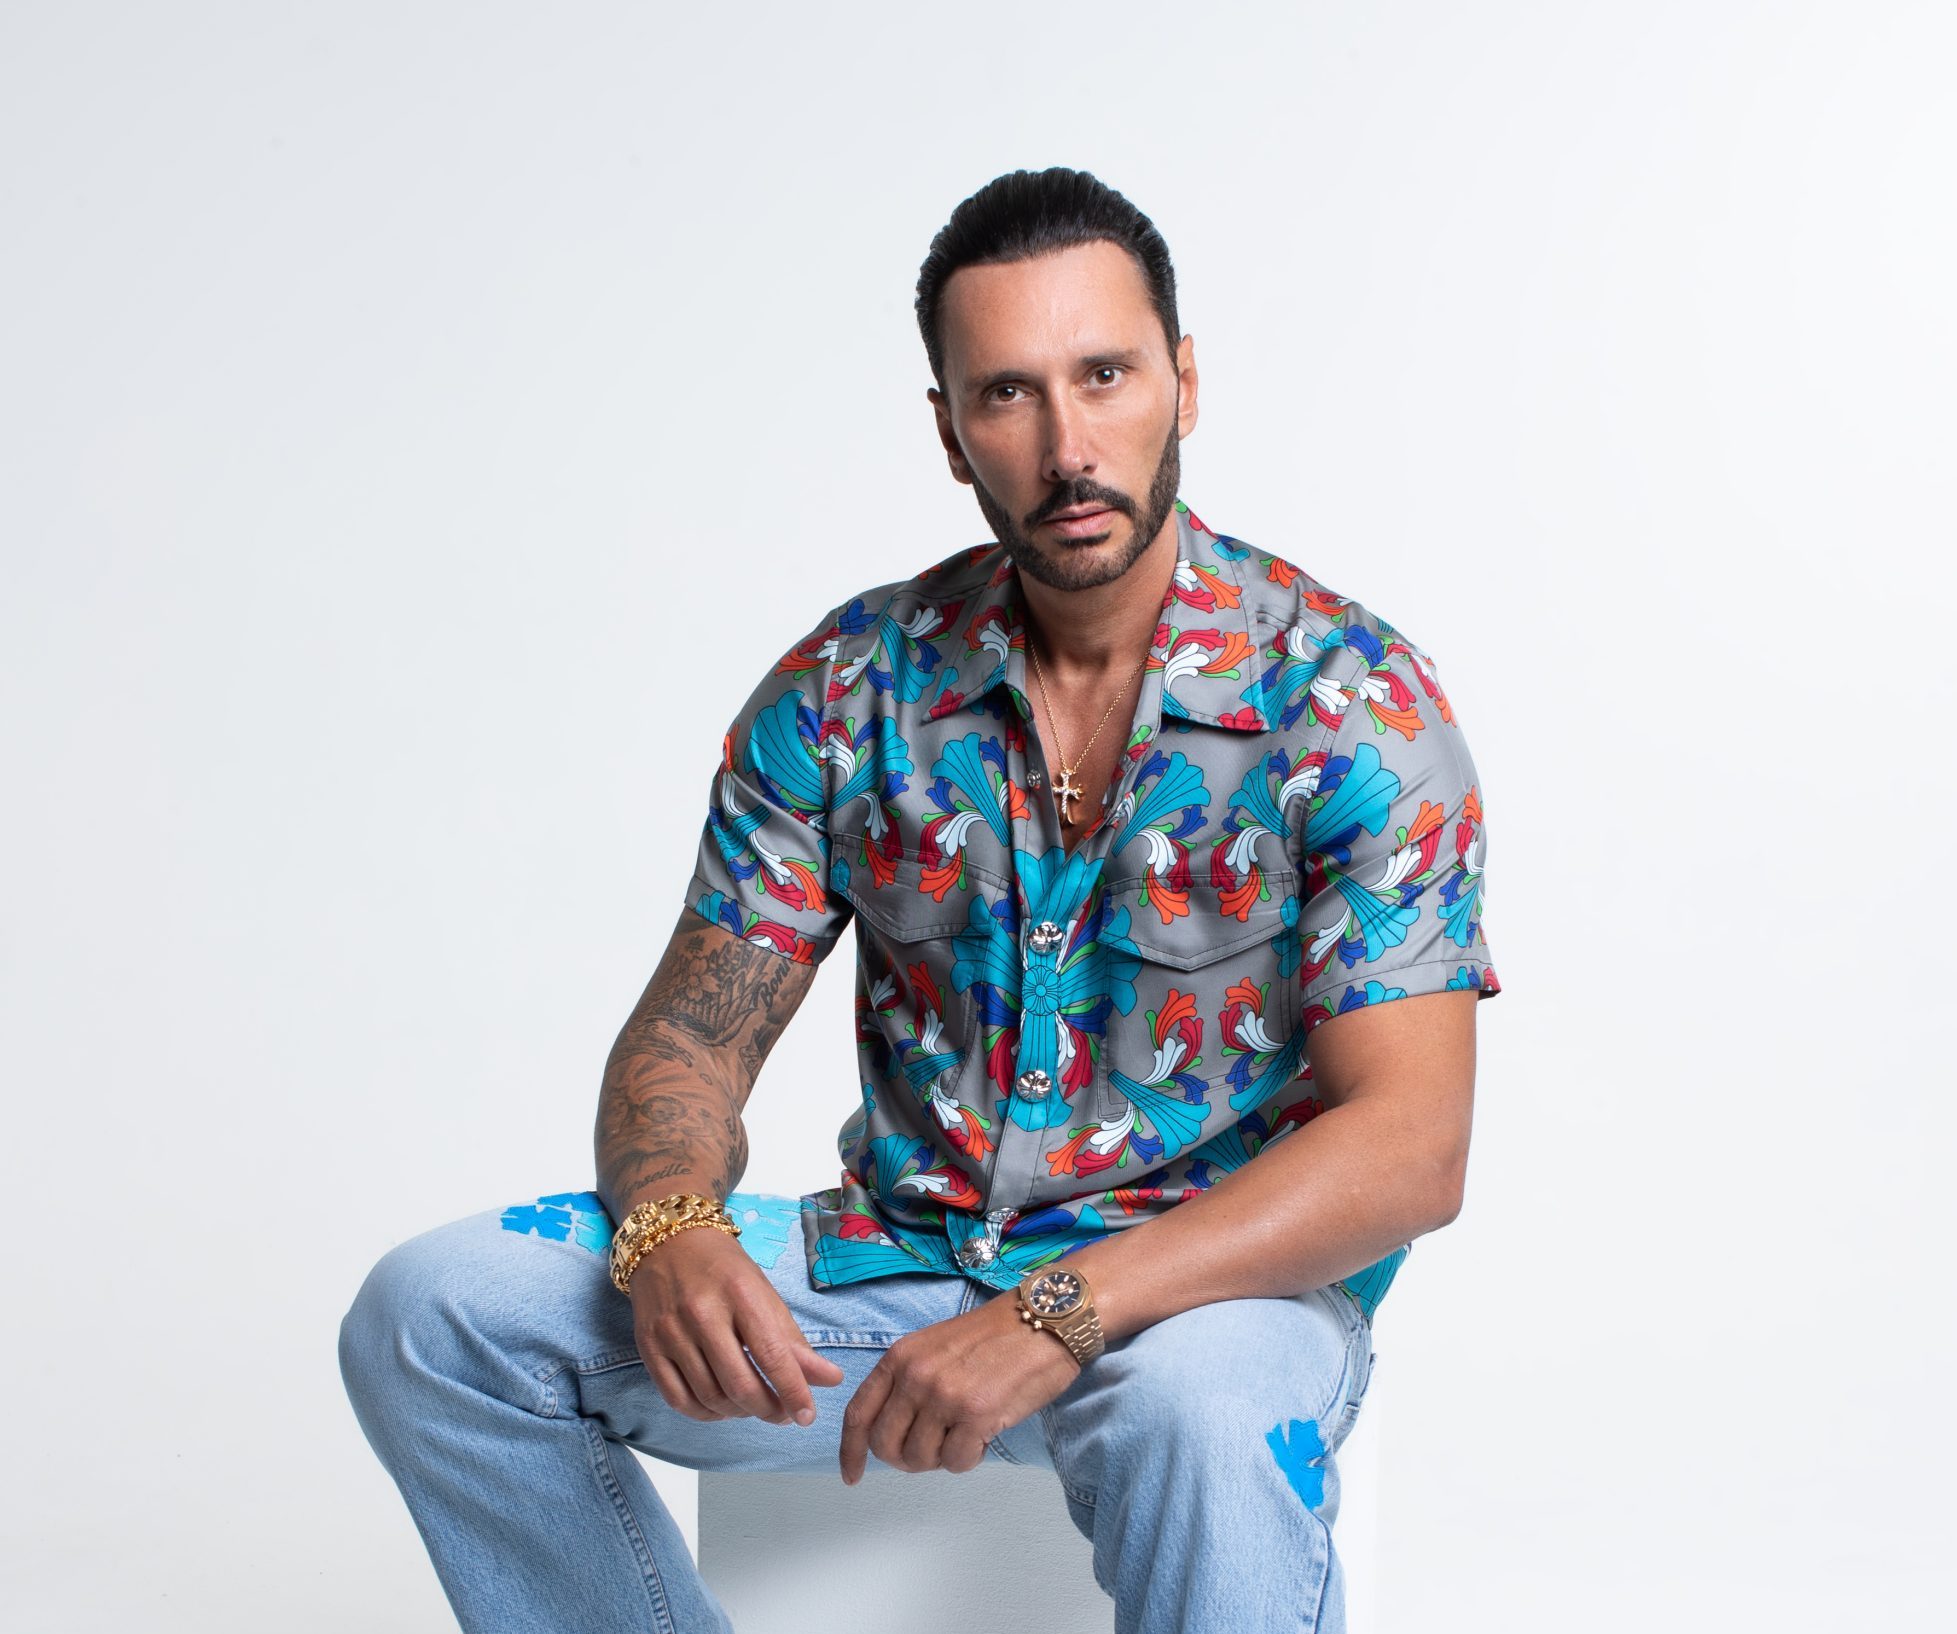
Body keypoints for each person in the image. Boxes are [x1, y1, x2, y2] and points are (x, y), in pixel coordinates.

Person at [339, 164, 1500, 1634]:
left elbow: (1410, 1148)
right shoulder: (852, 686)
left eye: (1105, 376)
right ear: (951, 432)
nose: (1068, 446)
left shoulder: (1350, 702)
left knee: (1200, 1417)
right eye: (1009, 394)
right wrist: (669, 1222)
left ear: (1184, 384)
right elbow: (688, 1036)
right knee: (435, 1315)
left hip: (1206, 1303)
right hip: (899, 1271)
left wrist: (1061, 1311)